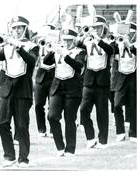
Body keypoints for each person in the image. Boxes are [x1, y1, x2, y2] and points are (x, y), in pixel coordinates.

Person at [0, 16, 38, 168]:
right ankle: (9, 156)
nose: (16, 31)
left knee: (22, 126)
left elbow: (31, 61)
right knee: (2, 123)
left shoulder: (32, 46)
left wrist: (18, 46)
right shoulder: (7, 46)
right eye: (14, 28)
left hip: (23, 90)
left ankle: (23, 158)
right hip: (7, 89)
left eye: (19, 28)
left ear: (25, 29)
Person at [44, 28, 86, 156]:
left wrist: (65, 54)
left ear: (74, 40)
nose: (66, 43)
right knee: (52, 116)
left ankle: (70, 149)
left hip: (73, 89)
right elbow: (46, 61)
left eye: (69, 40)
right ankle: (60, 146)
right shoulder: (59, 50)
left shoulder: (80, 52)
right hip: (57, 87)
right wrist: (51, 50)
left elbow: (78, 67)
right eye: (64, 40)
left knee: (69, 119)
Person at [80, 15, 114, 149]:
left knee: (102, 113)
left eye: (98, 27)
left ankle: (103, 140)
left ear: (104, 28)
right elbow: (76, 45)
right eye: (94, 27)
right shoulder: (87, 41)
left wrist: (98, 39)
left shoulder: (109, 41)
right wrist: (83, 36)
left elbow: (111, 51)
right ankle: (90, 137)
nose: (95, 30)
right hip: (88, 81)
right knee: (83, 110)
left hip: (102, 82)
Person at [113, 22, 137, 142]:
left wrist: (131, 46)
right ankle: (120, 132)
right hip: (121, 78)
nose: (128, 34)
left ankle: (133, 133)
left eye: (131, 32)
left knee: (133, 106)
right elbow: (111, 50)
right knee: (116, 105)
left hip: (133, 78)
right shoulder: (119, 42)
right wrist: (117, 39)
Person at [34, 25, 55, 137]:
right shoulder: (37, 47)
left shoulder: (55, 46)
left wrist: (51, 47)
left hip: (53, 78)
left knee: (52, 105)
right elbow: (36, 62)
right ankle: (41, 128)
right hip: (40, 78)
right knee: (38, 104)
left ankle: (52, 128)